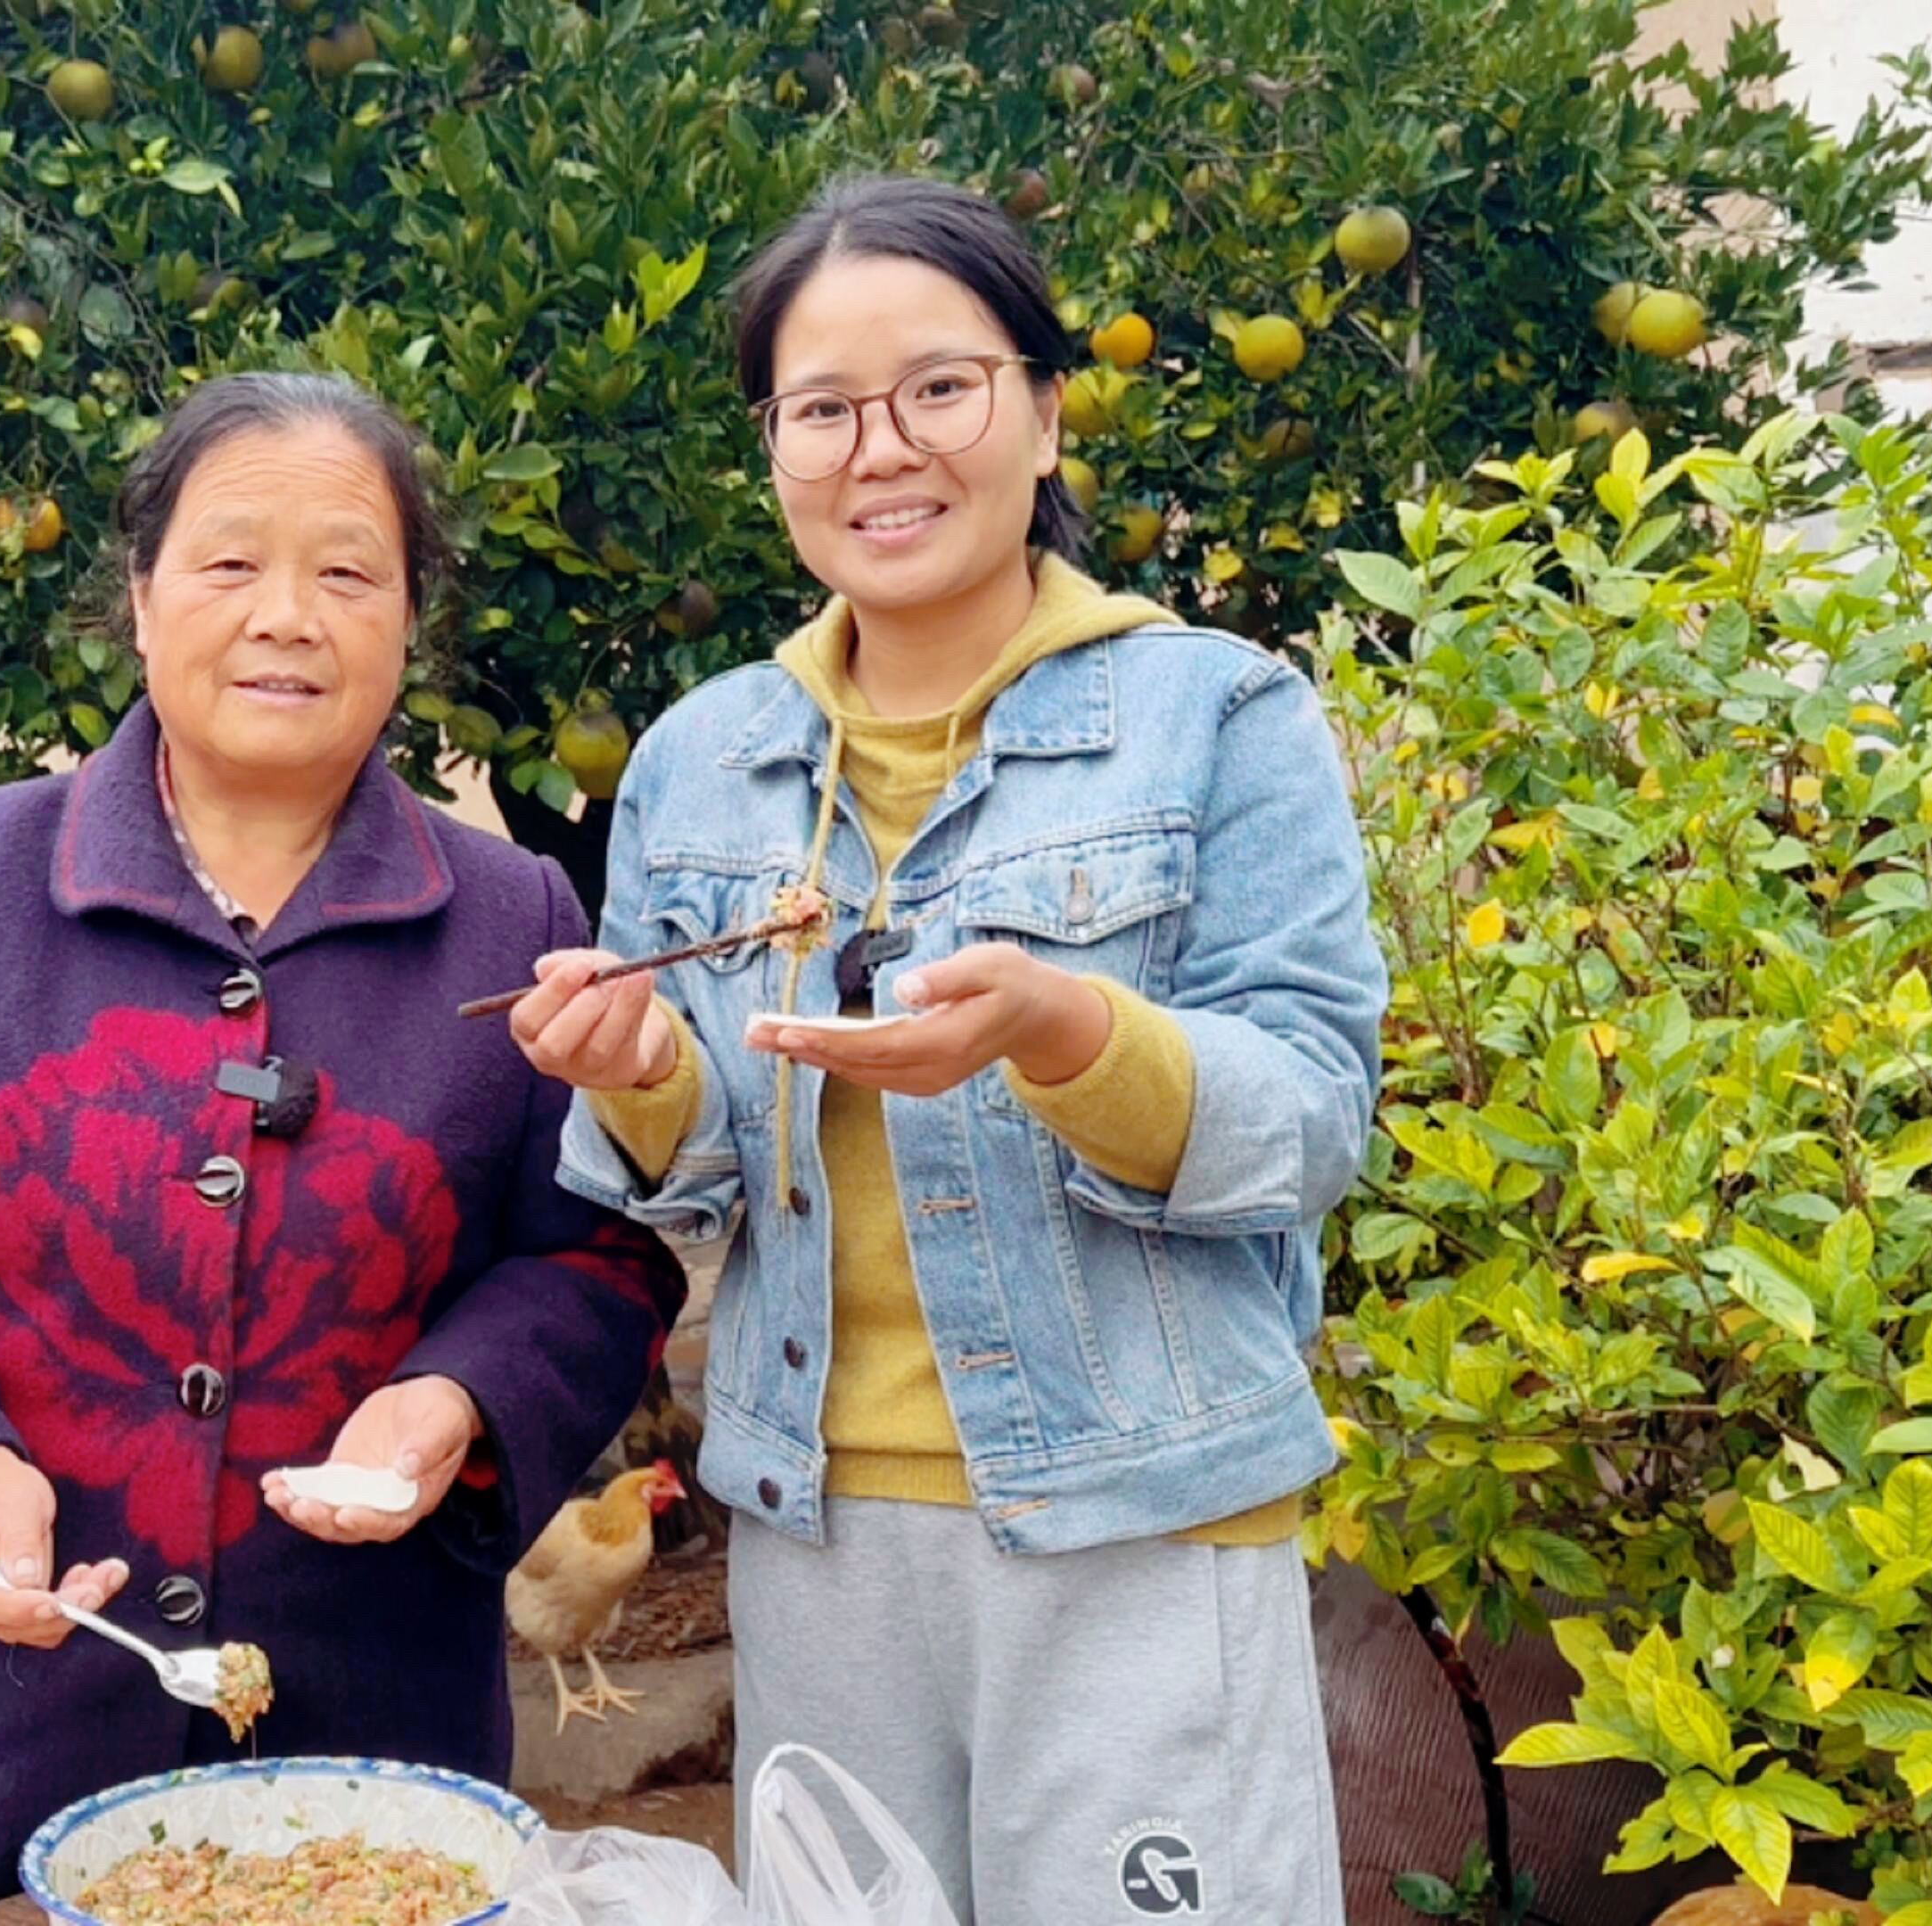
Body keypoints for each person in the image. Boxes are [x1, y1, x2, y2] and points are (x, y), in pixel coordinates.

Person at [514, 174, 1385, 1924]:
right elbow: (700, 1168)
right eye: (821, 409)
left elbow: (1309, 1121)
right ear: (773, 447)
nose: (879, 449)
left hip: (1137, 1512)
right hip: (814, 1531)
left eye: (939, 388)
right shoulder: (702, 756)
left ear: (1046, 406)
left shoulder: (1216, 714)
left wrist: (1077, 1038)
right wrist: (634, 1073)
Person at [0, 371, 686, 1902]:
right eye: (232, 561)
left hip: (376, 1756)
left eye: (347, 572)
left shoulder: (516, 920)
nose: (287, 614)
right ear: (141, 597)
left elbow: (597, 1255)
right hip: (6, 1741)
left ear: (408, 624)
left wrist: (455, 1401)